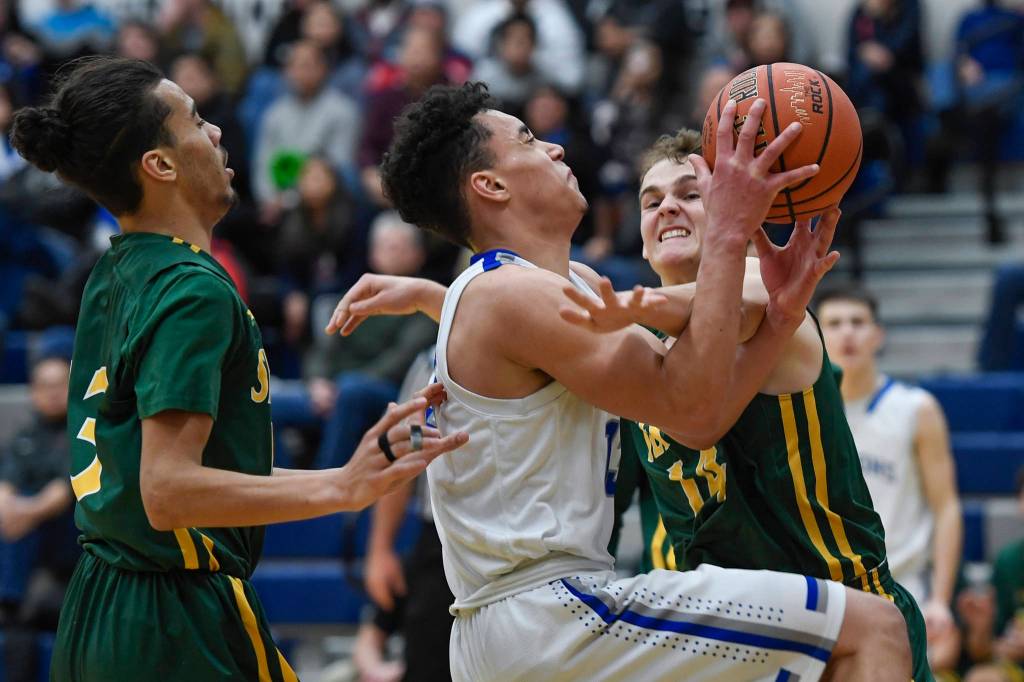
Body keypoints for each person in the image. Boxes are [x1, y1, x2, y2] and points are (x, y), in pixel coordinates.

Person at [328, 82, 911, 680]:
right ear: (491, 186)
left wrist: (779, 319)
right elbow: (689, 404)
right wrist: (731, 231)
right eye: (528, 140)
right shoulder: (507, 293)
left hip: (526, 628)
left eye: (691, 194)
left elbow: (699, 414)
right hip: (549, 614)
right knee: (874, 628)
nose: (554, 148)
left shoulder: (555, 285)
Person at [8, 56, 467, 680]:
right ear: (160, 164)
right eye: (195, 121)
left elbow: (188, 474)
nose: (216, 131)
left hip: (103, 605)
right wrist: (341, 487)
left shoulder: (117, 271)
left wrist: (343, 475)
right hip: (171, 616)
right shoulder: (191, 289)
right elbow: (168, 491)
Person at [560, 129, 931, 682]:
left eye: (690, 194)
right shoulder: (637, 346)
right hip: (735, 639)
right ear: (640, 240)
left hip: (848, 621)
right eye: (651, 202)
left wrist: (640, 305)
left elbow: (734, 305)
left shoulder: (773, 295)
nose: (667, 208)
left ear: (732, 215)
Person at [817, 285, 963, 639]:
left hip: (902, 587)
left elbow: (946, 507)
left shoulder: (916, 409)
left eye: (858, 322)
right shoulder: (806, 412)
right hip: (829, 592)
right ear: (816, 337)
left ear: (878, 335)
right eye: (834, 324)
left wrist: (941, 599)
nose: (847, 332)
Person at [0, 355, 78, 682]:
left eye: (60, 384)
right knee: (19, 635)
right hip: (29, 557)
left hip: (68, 550)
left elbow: (61, 494)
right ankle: (13, 602)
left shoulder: (82, 434)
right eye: (45, 386)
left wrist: (23, 514)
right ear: (33, 392)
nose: (53, 392)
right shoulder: (25, 436)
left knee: (33, 509)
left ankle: (10, 601)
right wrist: (12, 511)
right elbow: (4, 489)